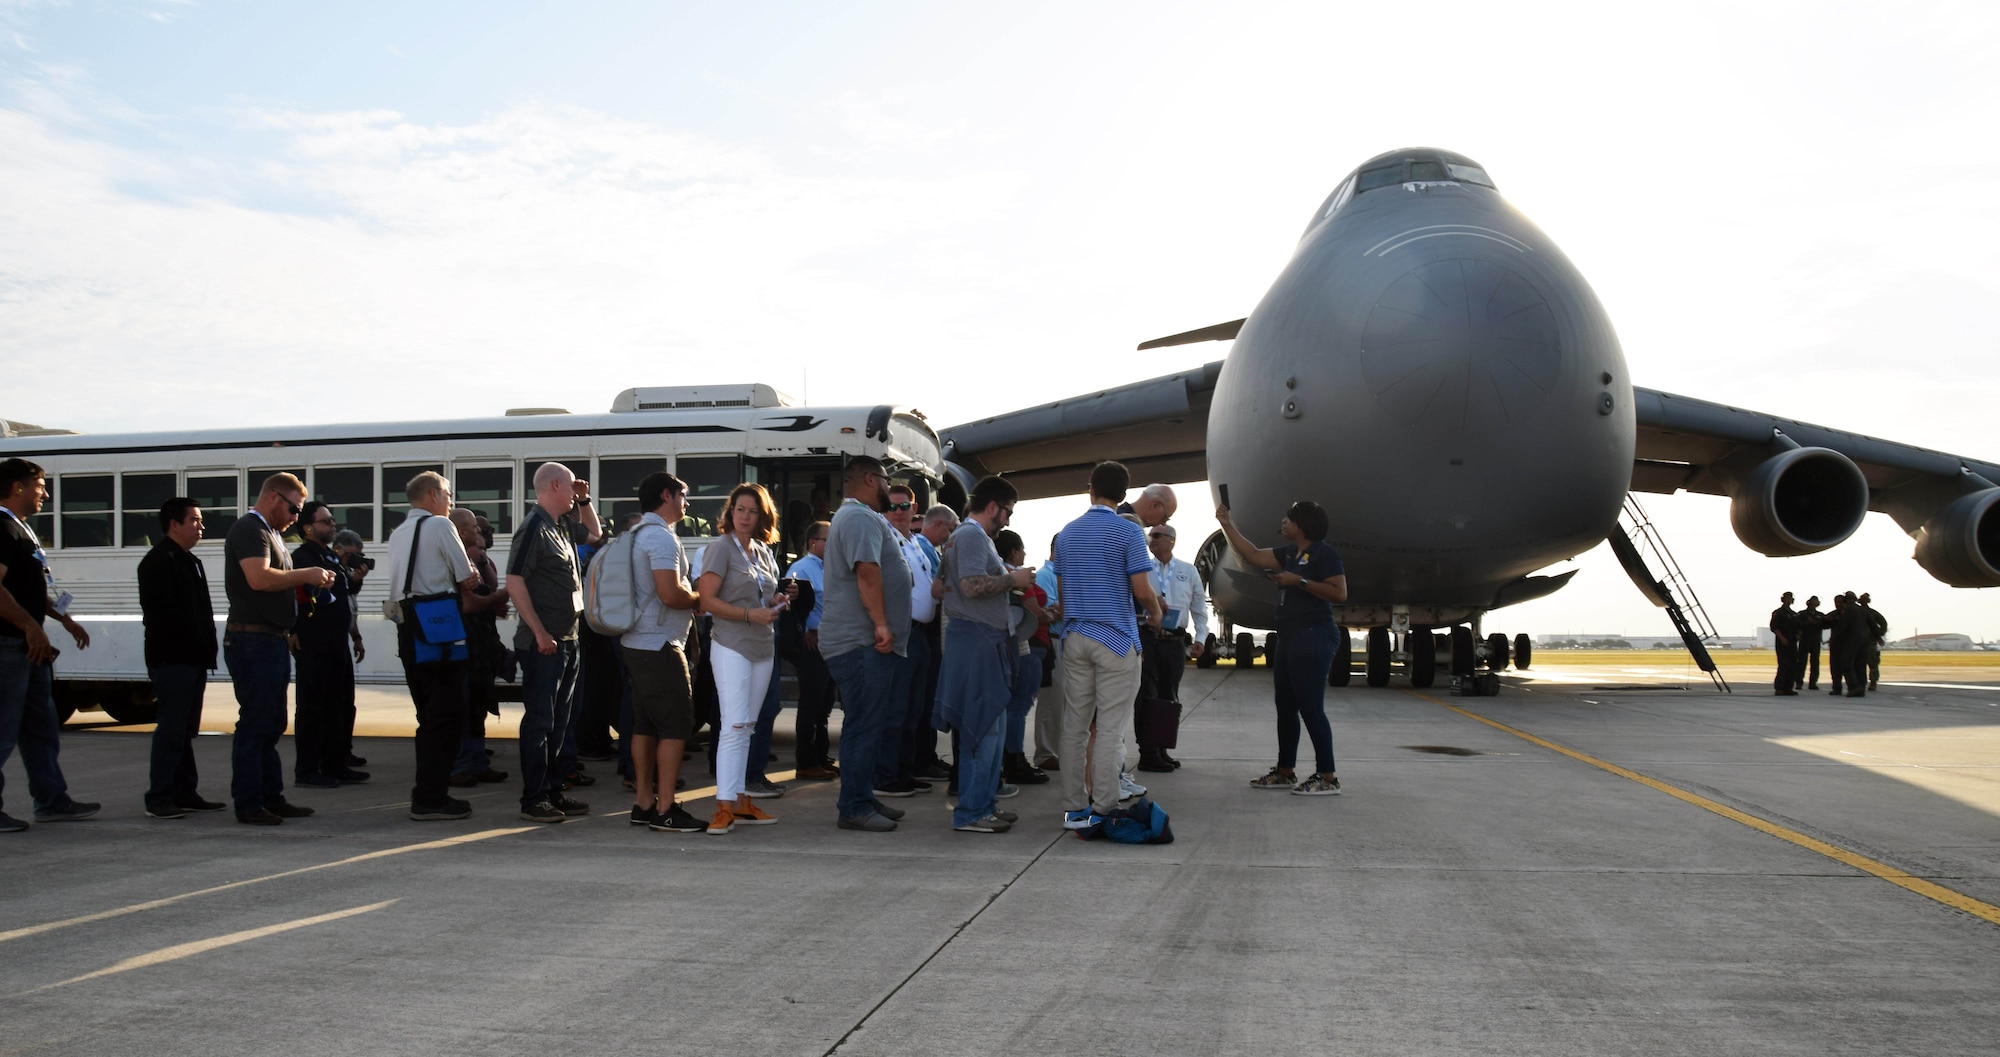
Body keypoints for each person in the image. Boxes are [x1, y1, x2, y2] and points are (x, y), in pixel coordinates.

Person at [1054, 461, 1161, 830]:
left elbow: (1064, 594)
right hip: (1115, 638)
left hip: (1075, 637)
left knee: (1075, 727)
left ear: (1090, 488)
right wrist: (1157, 612)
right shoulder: (1127, 533)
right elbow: (1142, 590)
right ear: (1124, 495)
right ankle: (1102, 808)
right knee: (1110, 728)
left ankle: (1072, 808)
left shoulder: (1067, 534)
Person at [1216, 497, 1349, 796]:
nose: (1283, 523)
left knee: (1311, 707)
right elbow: (1250, 554)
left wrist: (1298, 582)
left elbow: (1339, 592)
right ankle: (1285, 771)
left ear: (1302, 526)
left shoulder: (1324, 555)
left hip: (1313, 634)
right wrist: (1226, 524)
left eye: (1289, 519)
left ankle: (1327, 777)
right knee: (1286, 706)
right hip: (1290, 635)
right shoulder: (1290, 553)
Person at [223, 472, 334, 826]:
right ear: (273, 497)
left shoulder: (269, 533)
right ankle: (250, 802)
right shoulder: (250, 529)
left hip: (268, 638)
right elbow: (259, 578)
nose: (294, 518)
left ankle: (269, 797)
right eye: (292, 509)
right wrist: (305, 574)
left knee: (271, 724)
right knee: (257, 723)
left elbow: (272, 582)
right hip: (253, 640)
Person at [0, 458, 99, 832]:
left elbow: (27, 590)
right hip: (9, 645)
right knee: (3, 730)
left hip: (29, 647)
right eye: (39, 486)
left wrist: (62, 619)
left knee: (40, 729)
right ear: (17, 487)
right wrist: (30, 627)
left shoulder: (21, 529)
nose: (45, 493)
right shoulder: (2, 528)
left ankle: (52, 801)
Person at [934, 477, 1033, 833]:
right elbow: (970, 586)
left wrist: (1002, 574)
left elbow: (940, 587)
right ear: (994, 506)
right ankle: (972, 812)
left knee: (991, 727)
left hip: (977, 642)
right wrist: (1012, 580)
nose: (1007, 520)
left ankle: (984, 804)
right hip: (977, 643)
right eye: (1007, 512)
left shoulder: (963, 537)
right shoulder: (973, 535)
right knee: (983, 730)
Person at [820, 456, 913, 832]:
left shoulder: (860, 517)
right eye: (887, 481)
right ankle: (854, 806)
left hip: (862, 642)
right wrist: (881, 625)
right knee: (863, 724)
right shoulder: (858, 517)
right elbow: (867, 572)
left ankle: (862, 795)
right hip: (859, 642)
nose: (890, 489)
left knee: (870, 724)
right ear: (871, 479)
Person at [384, 471, 480, 821]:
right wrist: (473, 574)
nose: (451, 502)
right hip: (439, 626)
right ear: (432, 494)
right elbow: (465, 575)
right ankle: (430, 797)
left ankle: (427, 790)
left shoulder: (398, 533)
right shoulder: (441, 526)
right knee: (448, 714)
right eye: (448, 495)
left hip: (408, 627)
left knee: (427, 715)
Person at [695, 482, 789, 834]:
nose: (745, 516)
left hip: (762, 646)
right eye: (740, 510)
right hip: (732, 643)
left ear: (762, 515)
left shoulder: (763, 550)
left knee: (748, 725)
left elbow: (761, 600)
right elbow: (706, 602)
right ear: (730, 513)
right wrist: (752, 615)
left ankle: (739, 800)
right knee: (734, 725)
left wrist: (778, 601)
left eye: (752, 511)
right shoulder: (720, 548)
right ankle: (723, 806)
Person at [508, 462, 594, 823]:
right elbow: (514, 581)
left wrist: (585, 499)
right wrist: (540, 632)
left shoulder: (560, 525)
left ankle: (554, 789)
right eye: (571, 487)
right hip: (544, 644)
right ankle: (535, 798)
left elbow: (593, 535)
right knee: (541, 722)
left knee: (561, 722)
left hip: (568, 639)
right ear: (556, 485)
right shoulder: (533, 528)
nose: (574, 492)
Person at [623, 472, 707, 834]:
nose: (686, 502)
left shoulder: (635, 533)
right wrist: (699, 598)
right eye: (683, 494)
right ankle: (666, 807)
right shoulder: (660, 538)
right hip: (659, 644)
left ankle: (644, 802)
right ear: (666, 495)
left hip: (636, 642)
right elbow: (670, 594)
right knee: (675, 725)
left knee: (645, 724)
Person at [136, 497, 222, 819]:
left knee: (185, 730)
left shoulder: (190, 561)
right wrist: (190, 644)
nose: (201, 527)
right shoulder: (158, 561)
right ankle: (159, 796)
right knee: (171, 729)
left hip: (193, 658)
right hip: (173, 659)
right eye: (195, 521)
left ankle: (185, 791)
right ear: (174, 524)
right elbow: (163, 615)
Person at [290, 501, 369, 787]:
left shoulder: (330, 556)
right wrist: (294, 630)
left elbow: (342, 591)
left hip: (337, 642)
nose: (332, 525)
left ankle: (335, 765)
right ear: (308, 527)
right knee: (313, 707)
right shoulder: (302, 558)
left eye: (332, 520)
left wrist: (356, 581)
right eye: (325, 521)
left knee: (339, 705)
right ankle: (308, 770)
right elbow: (296, 596)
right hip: (315, 641)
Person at [875, 483, 937, 800]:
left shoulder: (915, 542)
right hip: (902, 632)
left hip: (921, 633)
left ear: (914, 508)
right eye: (891, 507)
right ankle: (886, 775)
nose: (898, 513)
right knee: (896, 709)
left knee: (914, 710)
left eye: (904, 506)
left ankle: (904, 771)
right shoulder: (885, 539)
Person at [1135, 523, 1206, 772]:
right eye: (1150, 536)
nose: (1151, 540)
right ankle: (1147, 752)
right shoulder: (1142, 569)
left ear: (1171, 540)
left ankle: (1161, 748)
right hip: (1149, 637)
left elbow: (1199, 606)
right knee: (1146, 695)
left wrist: (1202, 638)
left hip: (1175, 641)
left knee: (1168, 696)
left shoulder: (1188, 570)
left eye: (1156, 536)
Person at [448, 511, 510, 789]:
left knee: (478, 706)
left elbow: (488, 595)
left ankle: (476, 762)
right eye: (477, 530)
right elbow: (469, 604)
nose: (482, 534)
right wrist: (504, 595)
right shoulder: (457, 563)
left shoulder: (482, 564)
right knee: (462, 706)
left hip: (482, 646)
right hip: (464, 643)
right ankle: (460, 765)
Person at [996, 529, 1052, 786]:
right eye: (1022, 549)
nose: (1025, 554)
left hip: (1026, 646)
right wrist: (1052, 614)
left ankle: (1010, 758)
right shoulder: (1015, 578)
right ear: (1015, 552)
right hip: (1028, 647)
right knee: (1019, 706)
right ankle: (1014, 759)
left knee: (1016, 706)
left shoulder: (1002, 574)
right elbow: (1032, 612)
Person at [784, 520, 838, 781]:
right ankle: (806, 762)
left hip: (829, 642)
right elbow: (794, 605)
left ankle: (821, 756)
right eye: (828, 539)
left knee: (825, 705)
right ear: (812, 543)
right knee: (812, 705)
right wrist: (804, 630)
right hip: (811, 644)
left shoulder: (829, 568)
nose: (832, 543)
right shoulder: (802, 568)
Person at [912, 505, 957, 782]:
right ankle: (922, 759)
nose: (950, 535)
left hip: (929, 630)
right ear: (939, 525)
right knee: (922, 699)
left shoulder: (927, 549)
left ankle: (926, 757)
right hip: (923, 630)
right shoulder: (922, 547)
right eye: (950, 529)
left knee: (928, 698)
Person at [1031, 534, 1066, 773]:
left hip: (1064, 641)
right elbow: (1053, 609)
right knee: (1051, 699)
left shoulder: (1062, 575)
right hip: (1053, 640)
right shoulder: (1046, 575)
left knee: (1062, 701)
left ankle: (1055, 749)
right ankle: (1045, 752)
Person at [1830, 591, 1872, 698]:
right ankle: (1861, 687)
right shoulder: (1863, 610)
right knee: (1860, 664)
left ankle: (1854, 686)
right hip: (1864, 641)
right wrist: (1878, 637)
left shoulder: (1848, 610)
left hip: (1852, 641)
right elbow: (1873, 624)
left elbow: (1841, 627)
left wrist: (1833, 639)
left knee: (1846, 663)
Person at [1769, 591, 1799, 696]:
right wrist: (1782, 638)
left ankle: (1788, 687)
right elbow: (1774, 627)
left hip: (1792, 643)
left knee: (1793, 665)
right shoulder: (1778, 613)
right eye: (1787, 598)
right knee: (1783, 665)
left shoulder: (1794, 614)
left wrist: (1798, 635)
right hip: (1782, 643)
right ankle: (1779, 688)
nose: (1789, 600)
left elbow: (1798, 627)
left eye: (1790, 598)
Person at [1858, 592, 1888, 691]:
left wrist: (1878, 635)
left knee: (1872, 663)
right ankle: (1860, 682)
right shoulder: (1856, 612)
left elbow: (1883, 623)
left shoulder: (1873, 613)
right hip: (1858, 641)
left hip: (1870, 641)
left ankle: (1873, 682)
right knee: (1858, 663)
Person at [1796, 595, 1825, 690]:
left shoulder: (1820, 615)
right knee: (1801, 662)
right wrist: (1807, 623)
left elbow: (1825, 624)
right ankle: (1799, 682)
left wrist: (1816, 622)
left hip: (1815, 640)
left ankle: (1813, 682)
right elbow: (1797, 624)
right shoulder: (1802, 614)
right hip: (1805, 640)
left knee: (1815, 662)